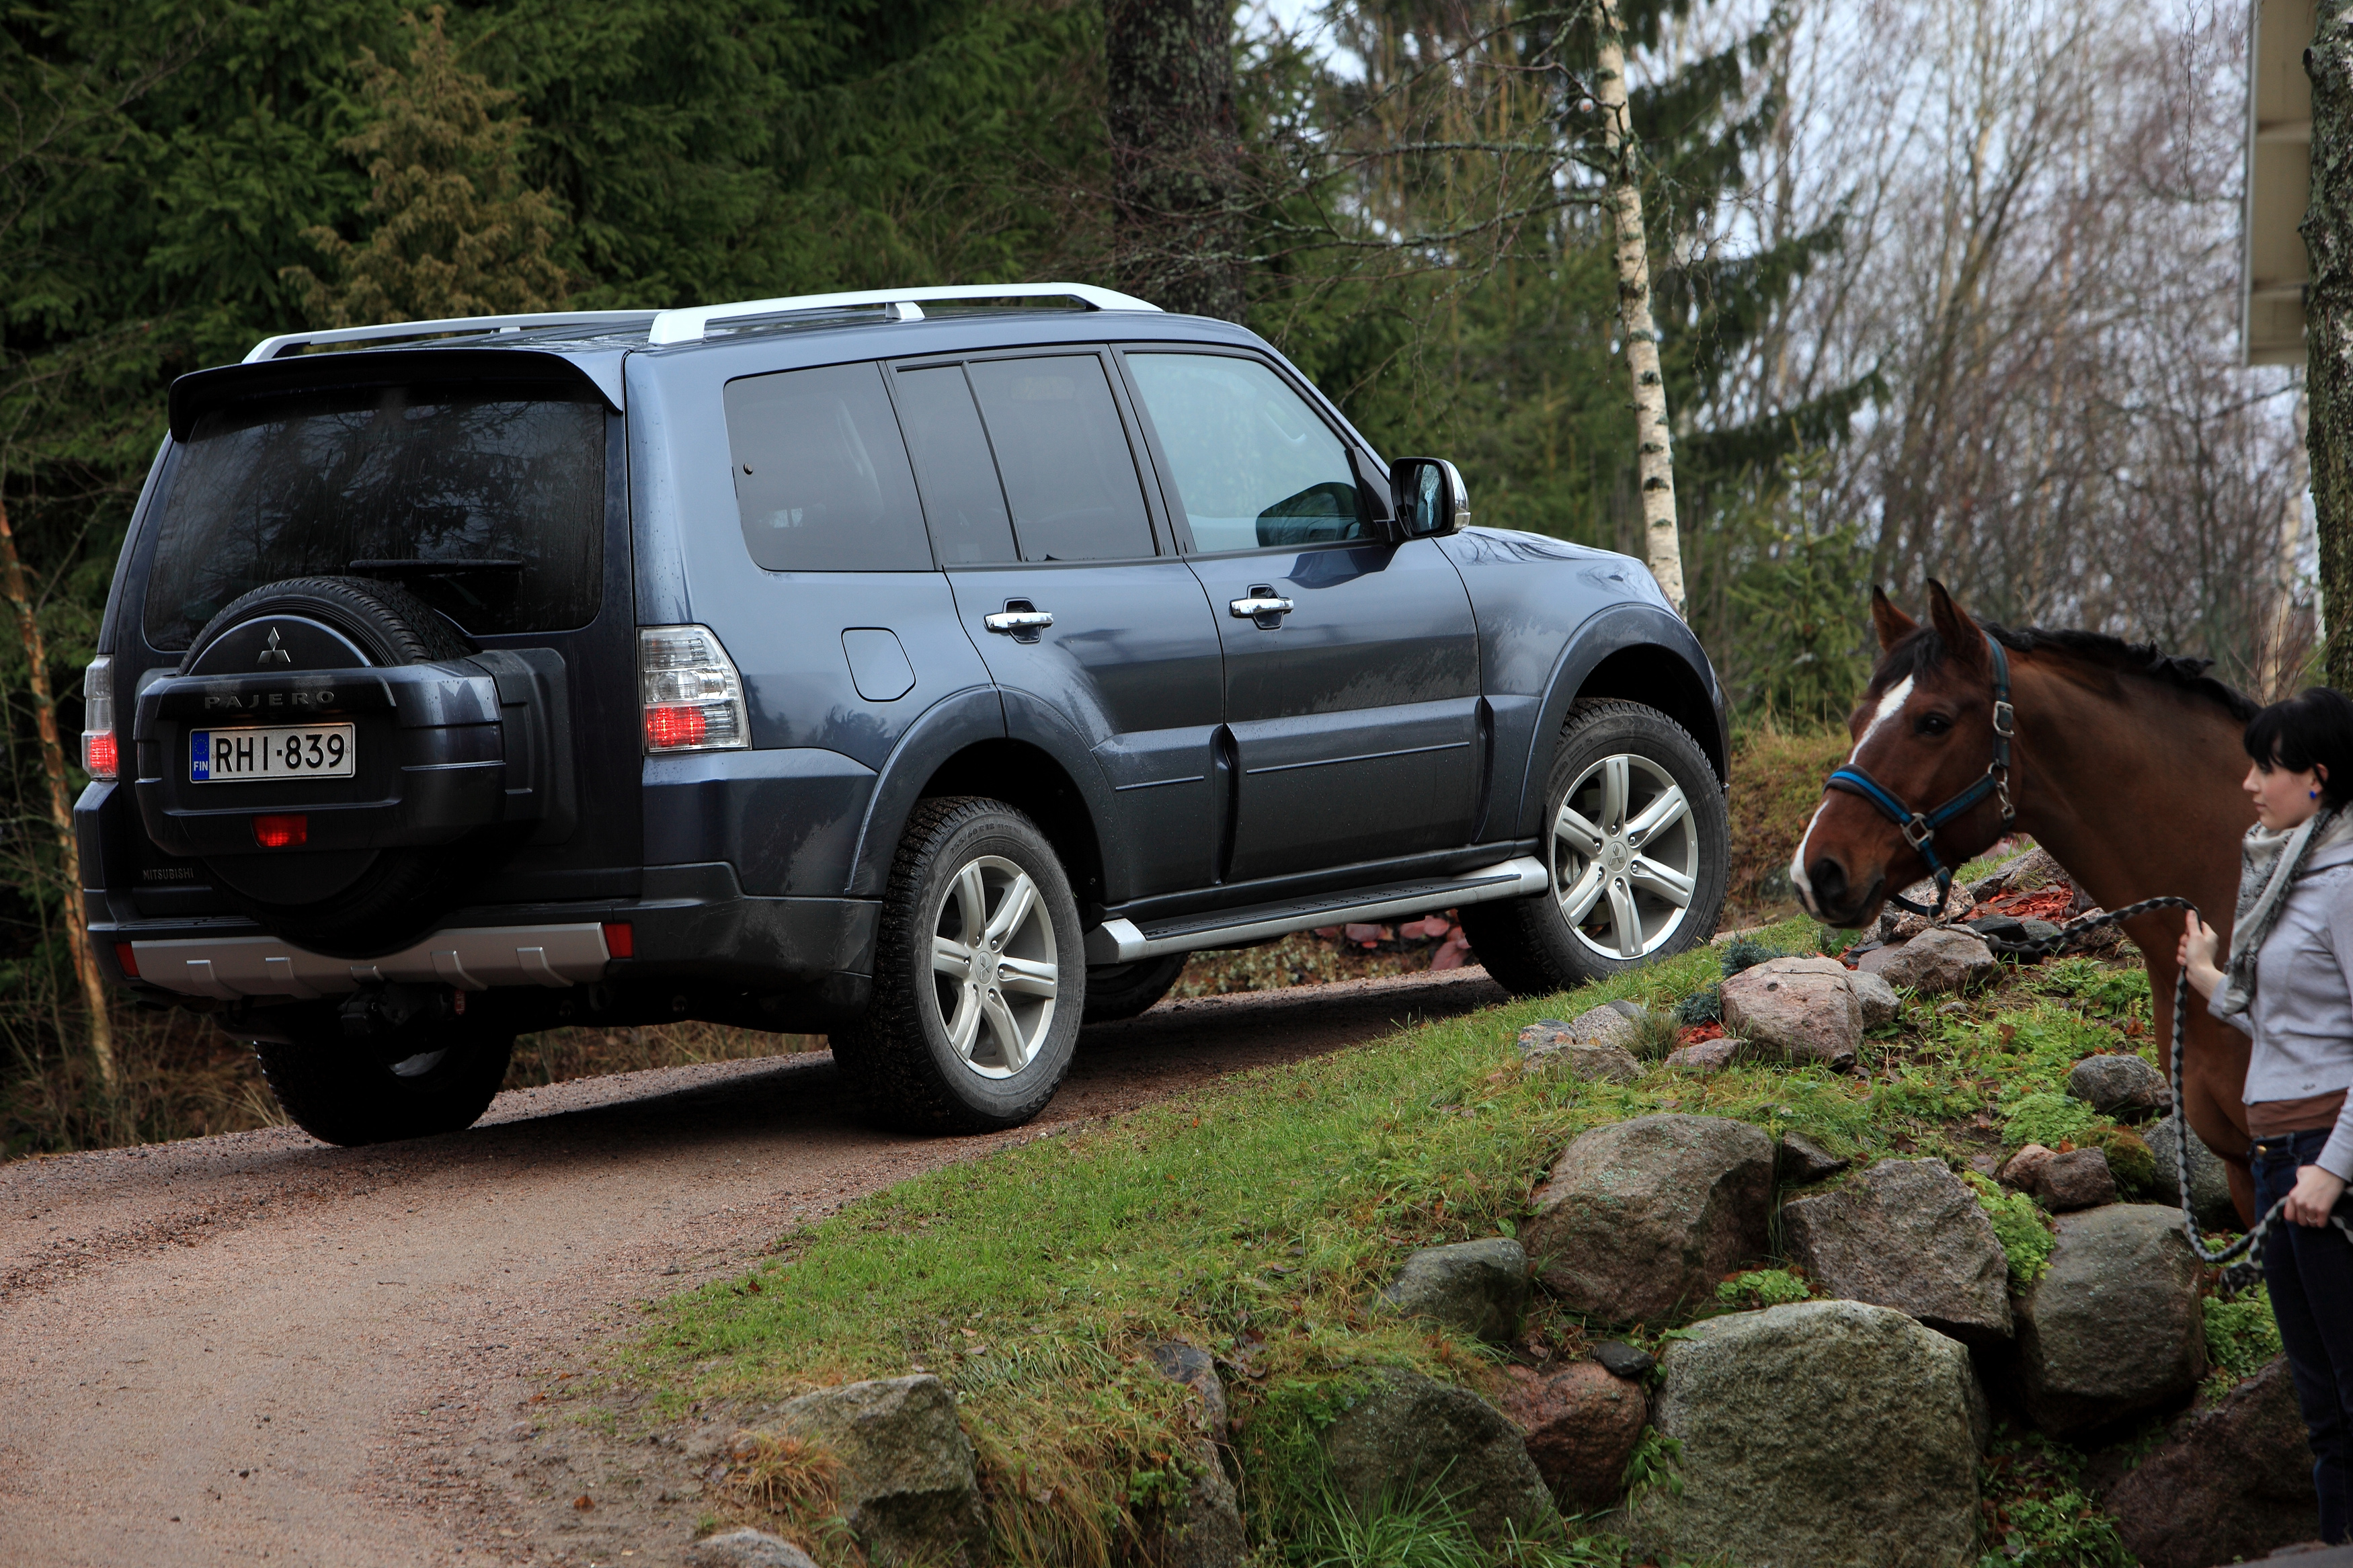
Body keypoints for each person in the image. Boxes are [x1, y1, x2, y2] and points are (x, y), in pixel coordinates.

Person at [2180, 686, 2353, 1546]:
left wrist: (2333, 1169)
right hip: (2280, 1157)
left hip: (2325, 1163)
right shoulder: (2287, 872)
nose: (2249, 783)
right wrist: (2210, 977)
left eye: (2266, 766)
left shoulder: (2346, 883)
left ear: (2316, 779)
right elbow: (2287, 1021)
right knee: (2320, 1404)